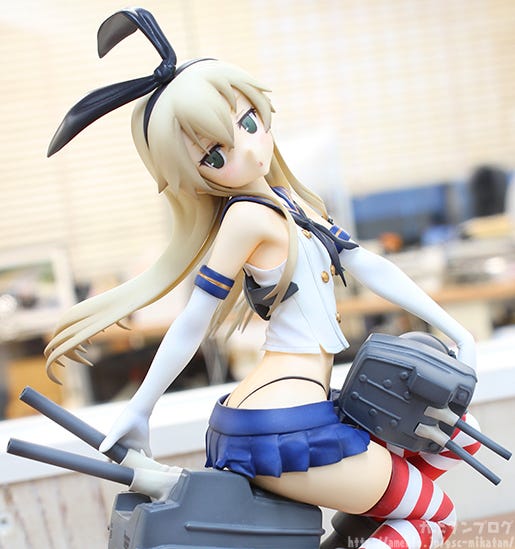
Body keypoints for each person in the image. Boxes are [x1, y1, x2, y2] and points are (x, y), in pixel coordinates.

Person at [45, 8, 480, 548]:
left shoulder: (286, 202)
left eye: (248, 122)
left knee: (446, 451)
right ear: (193, 175)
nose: (248, 148)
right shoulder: (247, 218)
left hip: (293, 410)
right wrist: (140, 408)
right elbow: (194, 320)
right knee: (432, 517)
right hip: (284, 425)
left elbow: (367, 263)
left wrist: (455, 329)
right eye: (214, 154)